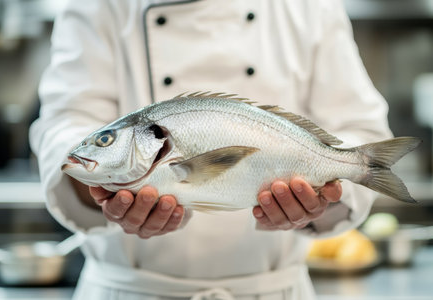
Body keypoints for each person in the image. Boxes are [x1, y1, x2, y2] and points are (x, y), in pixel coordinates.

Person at [29, 0, 393, 299]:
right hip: (132, 290)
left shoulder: (311, 7)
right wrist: (99, 192)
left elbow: (360, 124)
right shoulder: (97, 5)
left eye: (108, 140)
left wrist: (319, 200)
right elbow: (65, 123)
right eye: (108, 141)